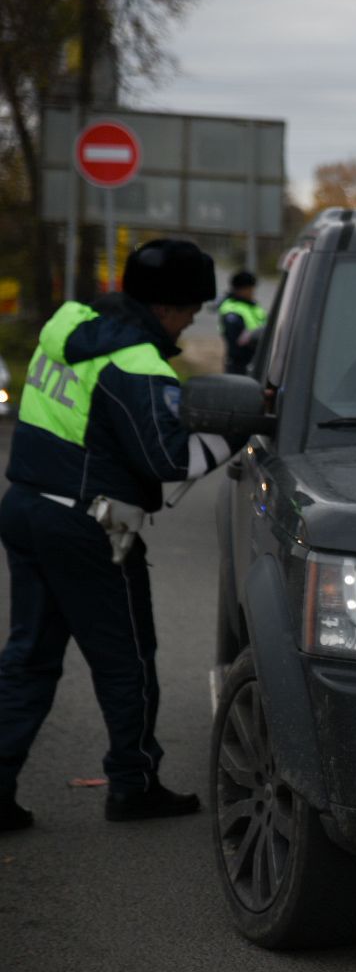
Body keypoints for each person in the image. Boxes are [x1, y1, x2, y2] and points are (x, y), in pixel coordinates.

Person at [0, 239, 244, 831]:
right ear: (165, 307)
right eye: (190, 310)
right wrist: (239, 429)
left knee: (29, 659)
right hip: (86, 525)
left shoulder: (71, 324)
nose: (190, 321)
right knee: (127, 661)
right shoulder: (136, 363)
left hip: (26, 505)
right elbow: (169, 457)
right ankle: (134, 787)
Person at [218, 270, 266, 376]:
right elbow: (238, 342)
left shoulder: (253, 306)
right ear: (241, 289)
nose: (253, 292)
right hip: (240, 365)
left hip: (256, 360)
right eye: (250, 289)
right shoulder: (231, 310)